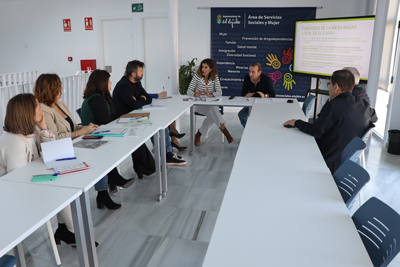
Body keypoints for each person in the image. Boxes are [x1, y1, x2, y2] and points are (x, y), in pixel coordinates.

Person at [34, 73, 130, 210]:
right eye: (58, 86)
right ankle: (104, 191)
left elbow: (72, 126)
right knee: (98, 155)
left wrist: (86, 128)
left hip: (74, 142)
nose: (61, 88)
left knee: (101, 149)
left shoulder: (60, 104)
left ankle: (103, 192)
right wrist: (81, 132)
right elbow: (54, 137)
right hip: (62, 149)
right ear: (50, 89)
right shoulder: (44, 110)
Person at [0, 93, 76, 246]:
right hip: (13, 197)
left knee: (62, 184)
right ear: (27, 112)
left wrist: (44, 127)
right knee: (61, 189)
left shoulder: (30, 131)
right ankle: (73, 231)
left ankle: (68, 230)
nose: (41, 109)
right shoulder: (15, 141)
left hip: (29, 186)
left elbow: (52, 153)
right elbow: (20, 181)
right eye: (37, 107)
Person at [283, 69, 378, 174]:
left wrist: (296, 122)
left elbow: (315, 131)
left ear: (336, 87)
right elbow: (375, 118)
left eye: (329, 84)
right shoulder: (363, 105)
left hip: (324, 157)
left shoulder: (333, 106)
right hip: (343, 160)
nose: (329, 88)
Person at [80, 69, 154, 183]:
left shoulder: (101, 97)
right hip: (96, 135)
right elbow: (106, 121)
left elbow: (112, 116)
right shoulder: (97, 99)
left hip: (102, 131)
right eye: (108, 81)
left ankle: (145, 167)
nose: (110, 83)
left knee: (133, 135)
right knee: (132, 137)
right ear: (102, 83)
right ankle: (146, 167)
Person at [112, 60, 186, 165]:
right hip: (123, 119)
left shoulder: (137, 83)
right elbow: (135, 105)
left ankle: (168, 153)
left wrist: (139, 100)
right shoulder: (123, 85)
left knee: (162, 123)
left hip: (134, 115)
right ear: (134, 74)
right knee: (153, 125)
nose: (142, 73)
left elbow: (147, 98)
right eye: (141, 71)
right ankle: (164, 154)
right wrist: (140, 100)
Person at [187, 58, 234, 146]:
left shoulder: (214, 77)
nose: (203, 69)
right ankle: (225, 130)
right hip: (199, 104)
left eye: (206, 67)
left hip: (210, 103)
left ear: (211, 69)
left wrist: (210, 94)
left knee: (212, 112)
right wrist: (194, 94)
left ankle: (198, 134)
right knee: (213, 111)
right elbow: (188, 91)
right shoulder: (197, 76)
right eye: (202, 67)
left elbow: (220, 92)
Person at [239, 62, 276, 127]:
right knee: (241, 115)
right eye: (249, 71)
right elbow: (243, 92)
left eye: (253, 72)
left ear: (259, 73)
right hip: (252, 104)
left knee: (262, 119)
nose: (250, 74)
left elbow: (273, 94)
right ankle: (249, 130)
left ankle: (258, 130)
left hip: (264, 104)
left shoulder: (267, 80)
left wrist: (265, 96)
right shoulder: (247, 78)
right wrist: (246, 95)